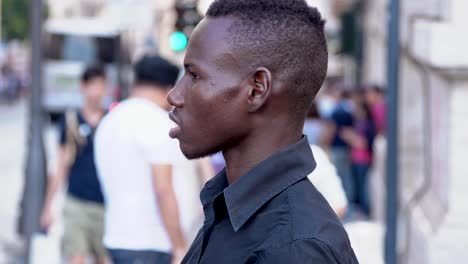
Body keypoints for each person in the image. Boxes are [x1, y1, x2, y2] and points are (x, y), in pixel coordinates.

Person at [167, 0, 358, 263]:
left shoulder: (294, 248)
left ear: (256, 89)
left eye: (194, 76)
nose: (175, 95)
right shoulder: (232, 208)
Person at [95, 55, 189, 264]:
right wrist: (180, 246)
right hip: (151, 243)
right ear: (168, 88)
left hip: (116, 238)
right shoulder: (157, 123)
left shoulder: (109, 120)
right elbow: (163, 190)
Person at [40, 65, 108, 264]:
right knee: (75, 258)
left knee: (102, 259)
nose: (96, 91)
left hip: (106, 204)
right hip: (76, 201)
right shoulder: (70, 121)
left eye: (100, 85)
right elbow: (60, 166)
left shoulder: (111, 120)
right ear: (83, 87)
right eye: (92, 85)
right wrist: (47, 208)